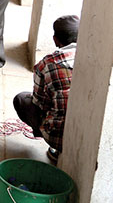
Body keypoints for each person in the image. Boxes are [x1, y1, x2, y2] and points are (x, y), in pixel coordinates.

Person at [13, 15, 79, 163]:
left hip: (56, 135)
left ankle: (53, 147)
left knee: (22, 99)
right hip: (83, 133)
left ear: (55, 40)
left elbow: (39, 103)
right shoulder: (92, 59)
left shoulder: (47, 64)